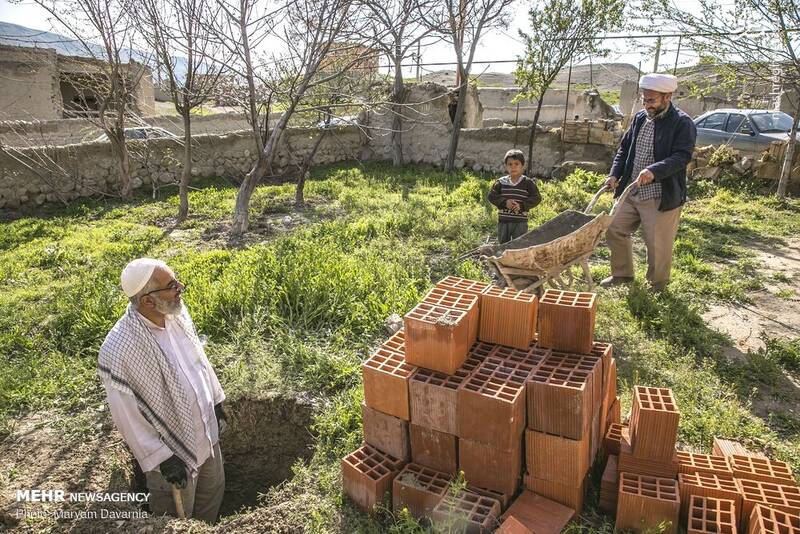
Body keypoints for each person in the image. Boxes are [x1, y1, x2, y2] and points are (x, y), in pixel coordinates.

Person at [98, 258, 226, 522]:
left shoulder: (173, 310)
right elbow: (127, 416)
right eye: (171, 285)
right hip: (171, 457)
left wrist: (216, 400)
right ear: (147, 301)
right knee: (176, 520)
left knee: (211, 496)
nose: (181, 287)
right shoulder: (119, 349)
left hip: (205, 434)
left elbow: (198, 359)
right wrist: (162, 458)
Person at [601, 73, 697, 291]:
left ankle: (657, 284)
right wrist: (615, 174)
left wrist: (654, 171)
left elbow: (682, 156)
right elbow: (624, 149)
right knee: (614, 229)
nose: (647, 105)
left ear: (667, 97)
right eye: (644, 100)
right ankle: (622, 275)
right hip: (631, 190)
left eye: (651, 100)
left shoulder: (682, 123)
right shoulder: (640, 118)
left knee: (657, 243)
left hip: (660, 194)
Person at [488, 149, 542, 244]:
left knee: (520, 244)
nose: (513, 167)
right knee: (503, 245)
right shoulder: (500, 182)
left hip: (520, 222)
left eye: (516, 164)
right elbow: (491, 196)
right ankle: (504, 259)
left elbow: (537, 198)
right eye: (510, 164)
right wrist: (505, 203)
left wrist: (521, 206)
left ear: (523, 166)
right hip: (504, 221)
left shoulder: (527, 183)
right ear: (506, 166)